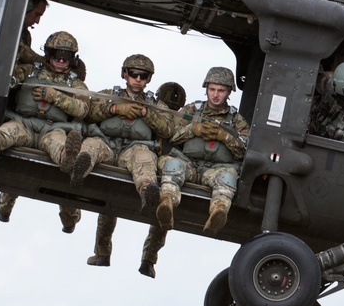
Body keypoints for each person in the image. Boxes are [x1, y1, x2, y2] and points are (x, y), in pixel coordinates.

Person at [140, 67, 250, 276]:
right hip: (187, 163)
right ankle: (167, 203)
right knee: (172, 170)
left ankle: (218, 212)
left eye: (221, 91)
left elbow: (246, 149)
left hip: (216, 169)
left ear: (228, 92)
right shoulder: (191, 111)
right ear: (206, 89)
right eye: (212, 89)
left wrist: (224, 137)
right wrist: (194, 129)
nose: (216, 95)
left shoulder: (236, 120)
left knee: (227, 179)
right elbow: (170, 134)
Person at [0, 31, 90, 233]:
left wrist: (56, 97)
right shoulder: (30, 71)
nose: (62, 60)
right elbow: (8, 77)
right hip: (23, 122)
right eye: (57, 54)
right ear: (48, 53)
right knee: (8, 133)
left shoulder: (76, 84)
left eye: (67, 56)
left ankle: (67, 157)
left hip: (53, 129)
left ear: (73, 58)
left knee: (59, 147)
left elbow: (83, 109)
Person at [72, 55, 175, 267]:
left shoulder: (155, 105)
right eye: (133, 74)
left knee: (145, 159)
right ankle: (80, 169)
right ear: (125, 74)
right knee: (91, 147)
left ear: (148, 79)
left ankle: (148, 191)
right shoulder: (110, 95)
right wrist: (114, 109)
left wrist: (147, 114)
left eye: (143, 76)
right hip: (106, 144)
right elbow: (89, 112)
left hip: (134, 149)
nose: (137, 79)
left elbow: (168, 129)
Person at [0, 0, 49, 223]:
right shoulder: (7, 26)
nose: (36, 20)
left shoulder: (25, 32)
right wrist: (45, 63)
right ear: (25, 6)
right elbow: (22, 56)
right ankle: (4, 205)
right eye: (35, 13)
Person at [138, 81, 188, 279]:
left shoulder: (153, 109)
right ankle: (148, 259)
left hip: (149, 161)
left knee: (108, 208)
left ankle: (103, 251)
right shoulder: (184, 117)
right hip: (162, 164)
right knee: (163, 214)